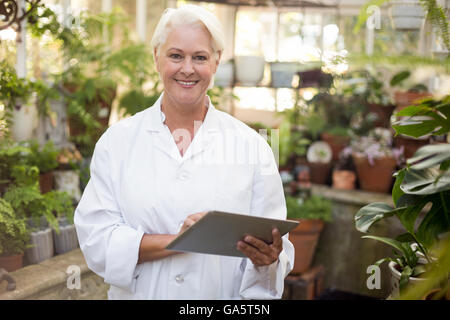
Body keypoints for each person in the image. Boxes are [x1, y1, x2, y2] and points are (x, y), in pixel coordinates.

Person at [74, 4, 294, 300]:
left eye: (200, 57)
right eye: (175, 55)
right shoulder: (118, 142)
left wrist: (269, 258)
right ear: (156, 58)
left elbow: (276, 243)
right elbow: (97, 239)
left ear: (216, 62)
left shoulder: (251, 147)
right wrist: (179, 241)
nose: (187, 68)